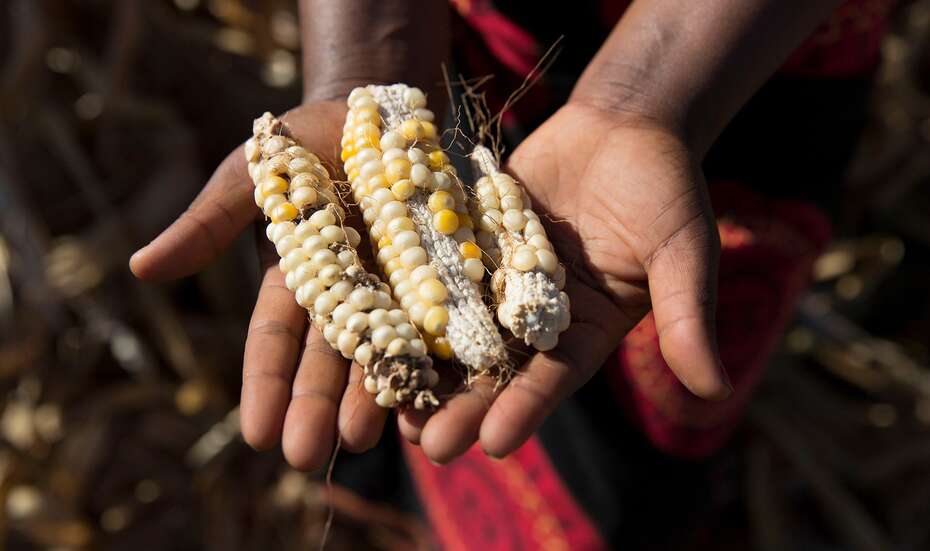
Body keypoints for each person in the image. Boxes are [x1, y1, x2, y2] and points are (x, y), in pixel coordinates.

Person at [130, 0, 892, 547]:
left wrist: (644, 100)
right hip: (487, 43)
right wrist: (369, 61)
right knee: (419, 410)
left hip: (733, 50)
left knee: (635, 439)